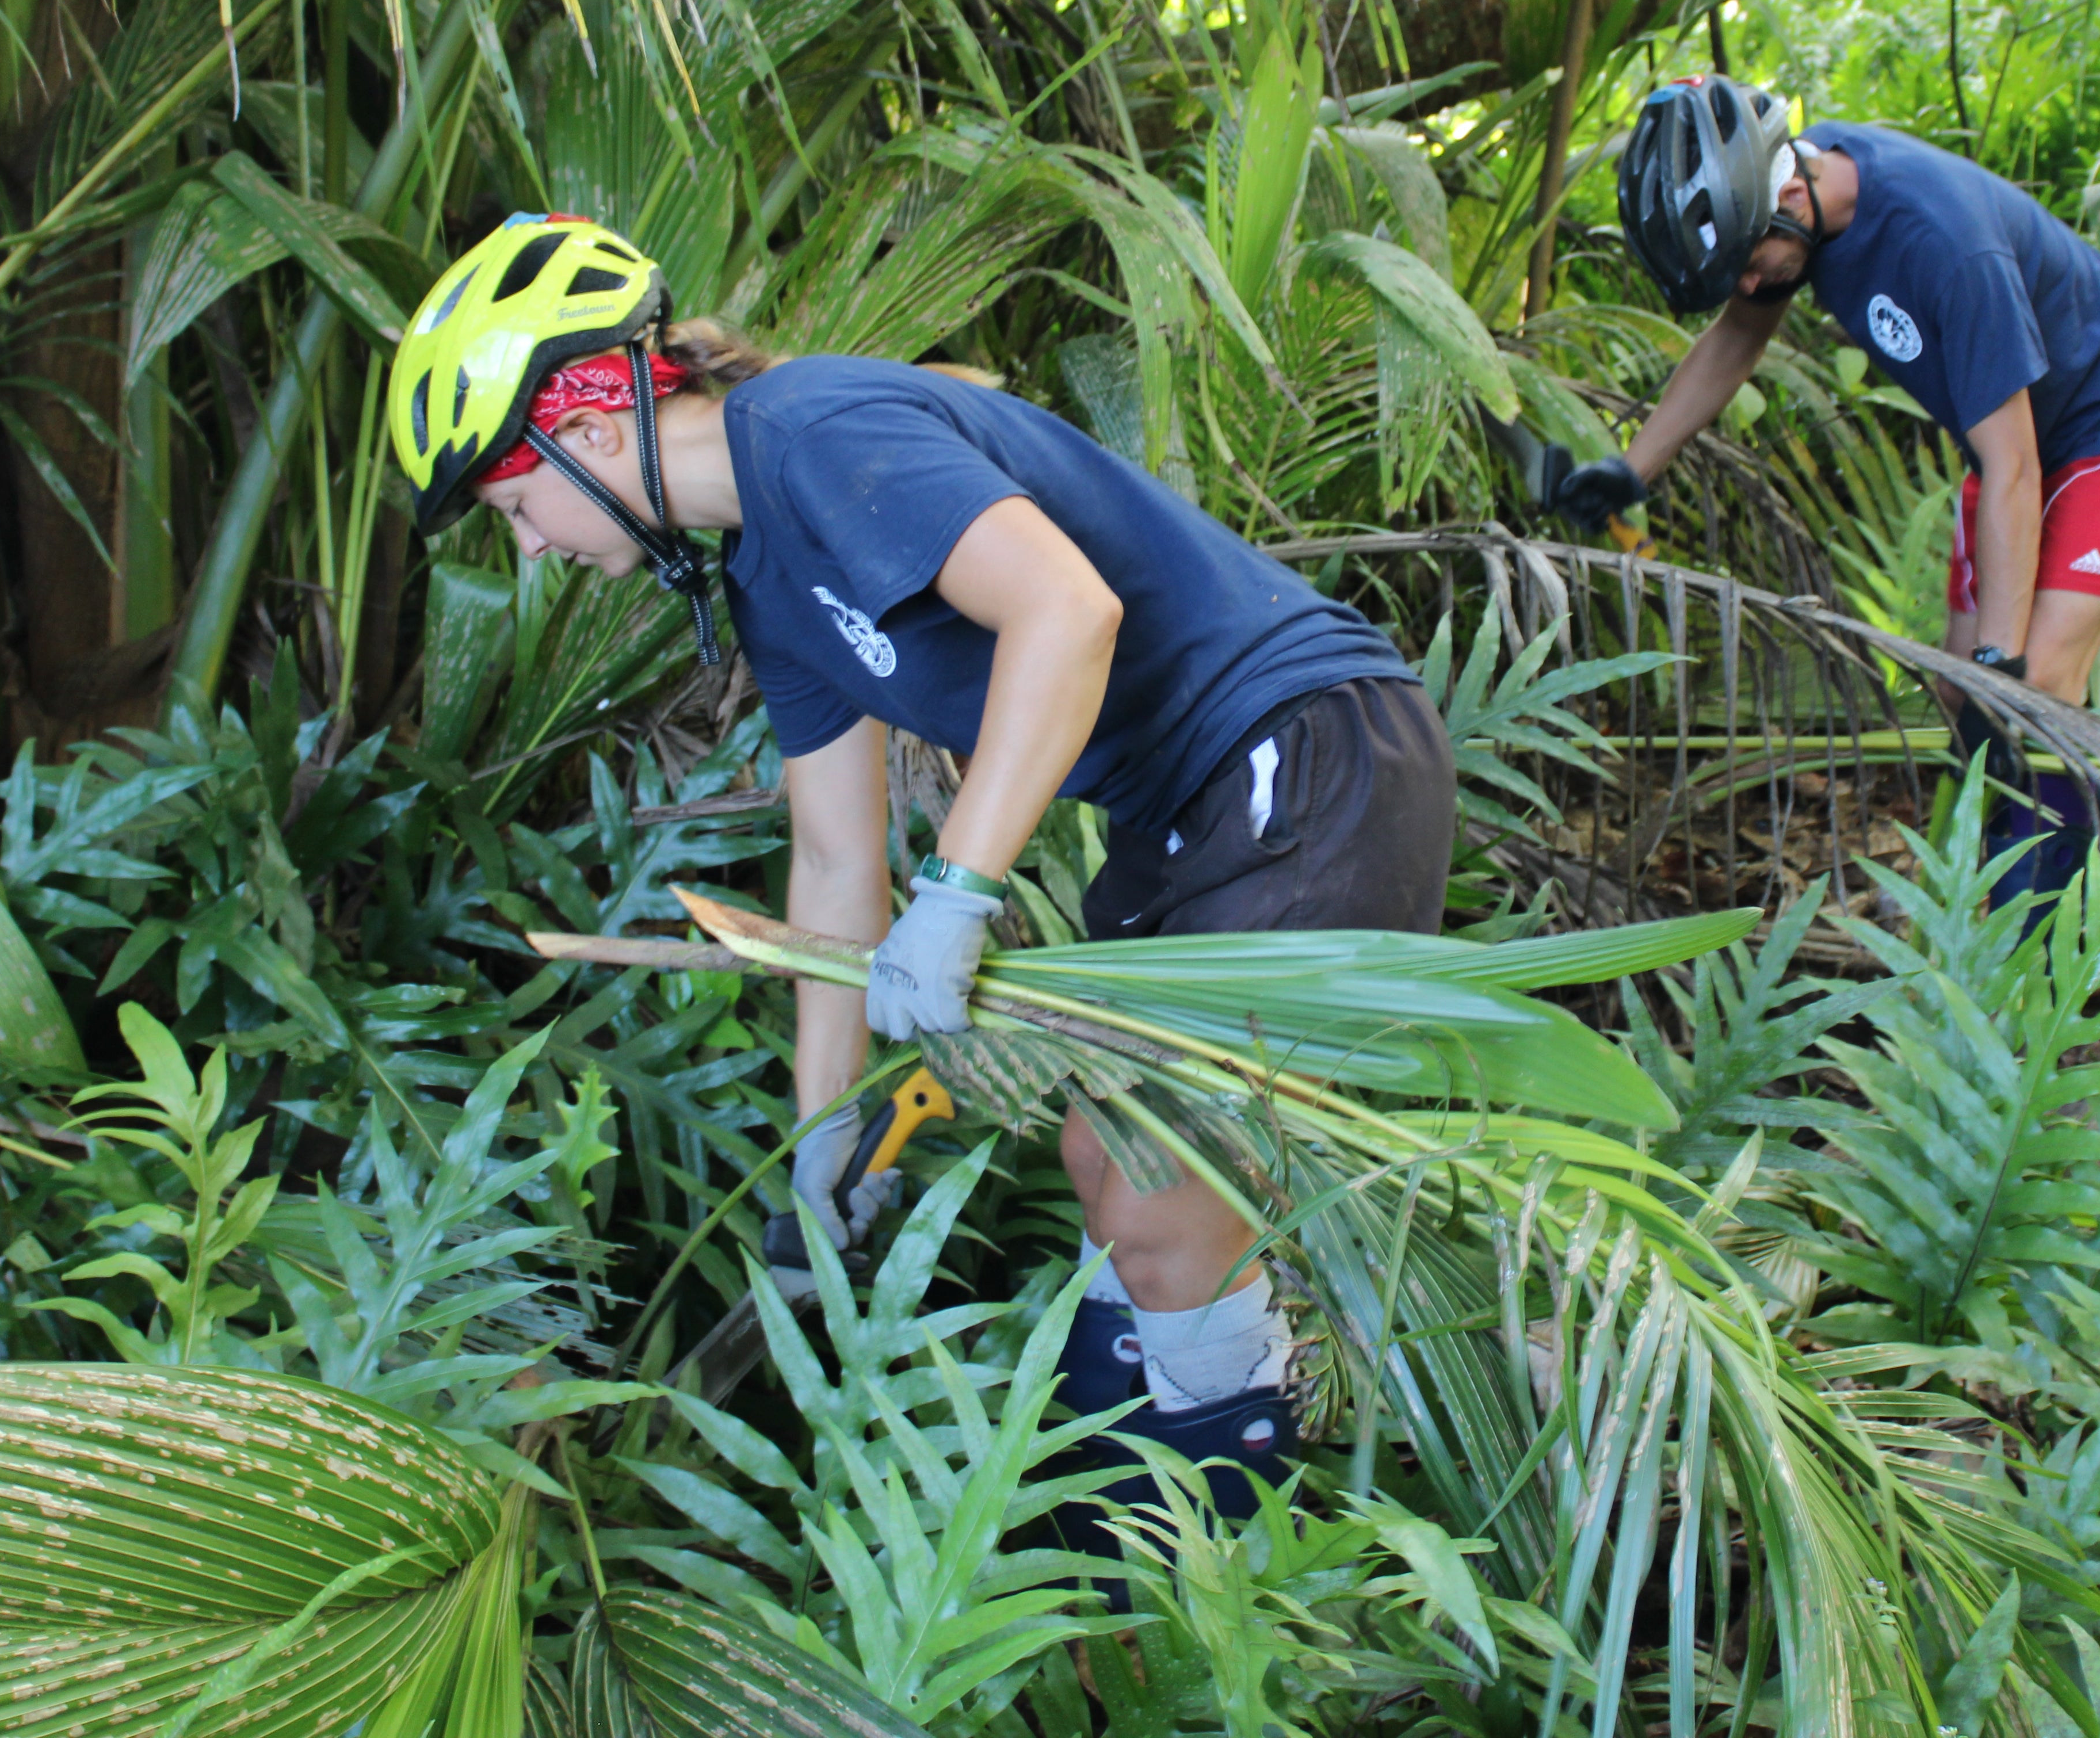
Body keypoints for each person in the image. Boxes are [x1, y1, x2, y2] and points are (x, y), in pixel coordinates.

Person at [385, 212, 1454, 1525]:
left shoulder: (815, 431)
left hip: (1309, 750)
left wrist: (960, 893)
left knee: (1169, 1211)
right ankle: (1129, 1498)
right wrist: (823, 1129)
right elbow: (835, 861)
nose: (533, 547)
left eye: (514, 505)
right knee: (1103, 1158)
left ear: (591, 432)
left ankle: (1224, 1555)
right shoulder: (765, 579)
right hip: (1184, 807)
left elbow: (1069, 611)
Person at [1544, 78, 2100, 899]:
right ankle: (2012, 870)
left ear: (1788, 191)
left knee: (2031, 691)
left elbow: (2015, 469)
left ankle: (2048, 924)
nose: (1752, 288)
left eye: (1750, 266)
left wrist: (2004, 673)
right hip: (2011, 430)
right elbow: (1738, 336)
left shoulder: (1945, 246)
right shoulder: (1805, 206)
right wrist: (1628, 469)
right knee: (1960, 696)